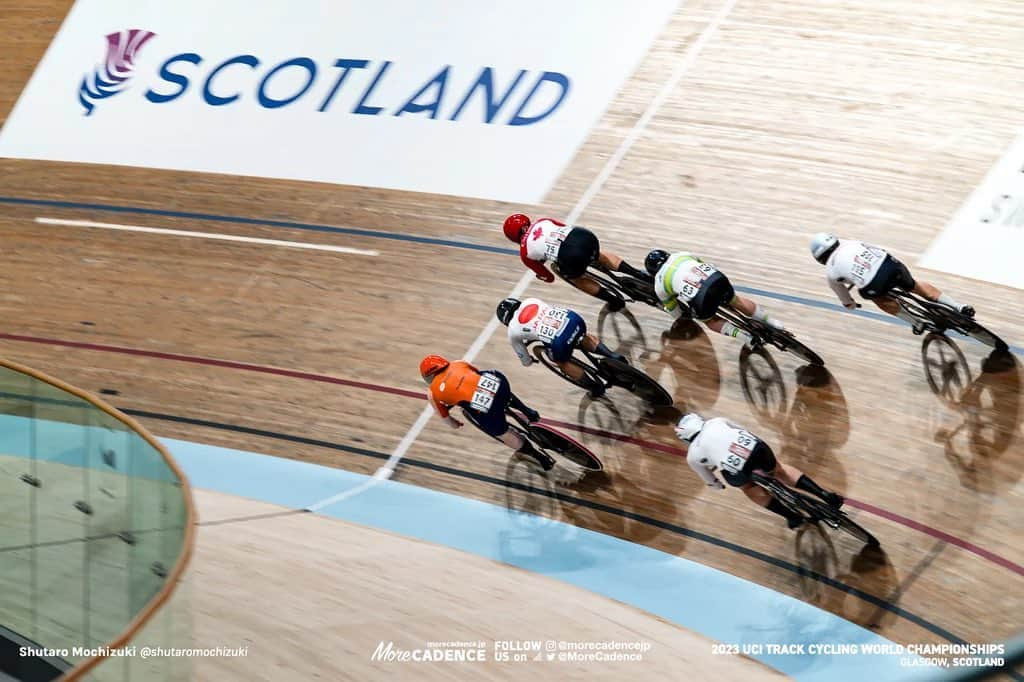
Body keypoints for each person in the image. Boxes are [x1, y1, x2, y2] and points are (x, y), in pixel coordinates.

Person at [674, 413, 843, 529]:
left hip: (738, 470)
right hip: (756, 448)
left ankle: (792, 516)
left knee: (748, 488)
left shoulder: (692, 455)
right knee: (779, 469)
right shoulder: (717, 421)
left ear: (686, 437)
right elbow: (743, 430)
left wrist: (719, 486)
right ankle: (826, 495)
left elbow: (711, 481)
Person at [419, 354, 555, 471]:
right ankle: (527, 411)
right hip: (499, 382)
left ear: (429, 377)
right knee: (493, 383)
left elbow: (448, 421)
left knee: (501, 433)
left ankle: (540, 458)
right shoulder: (458, 363)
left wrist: (456, 423)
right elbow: (477, 374)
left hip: (486, 406)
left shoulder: (432, 393)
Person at [808, 233, 974, 328]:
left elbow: (845, 299)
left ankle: (916, 322)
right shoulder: (852, 242)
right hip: (890, 264)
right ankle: (959, 306)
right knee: (914, 285)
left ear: (821, 258)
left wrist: (850, 305)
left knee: (878, 298)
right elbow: (877, 249)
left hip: (874, 283)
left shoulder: (830, 272)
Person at [501, 213, 648, 311]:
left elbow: (549, 278)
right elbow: (563, 227)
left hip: (571, 257)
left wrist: (542, 276)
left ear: (513, 238)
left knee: (576, 278)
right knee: (599, 255)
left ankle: (615, 301)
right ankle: (637, 273)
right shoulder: (542, 221)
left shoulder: (525, 253)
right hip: (583, 236)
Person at [645, 249, 784, 347]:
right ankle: (773, 322)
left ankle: (745, 337)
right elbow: (703, 263)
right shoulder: (681, 254)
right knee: (736, 300)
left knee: (709, 320)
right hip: (717, 279)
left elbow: (675, 312)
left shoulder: (659, 283)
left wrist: (682, 317)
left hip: (702, 298)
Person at [495, 297, 626, 398]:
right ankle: (611, 355)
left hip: (560, 340)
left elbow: (525, 360)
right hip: (574, 319)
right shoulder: (530, 300)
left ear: (505, 321)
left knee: (561, 362)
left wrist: (529, 360)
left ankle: (595, 387)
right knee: (583, 336)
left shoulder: (512, 330)